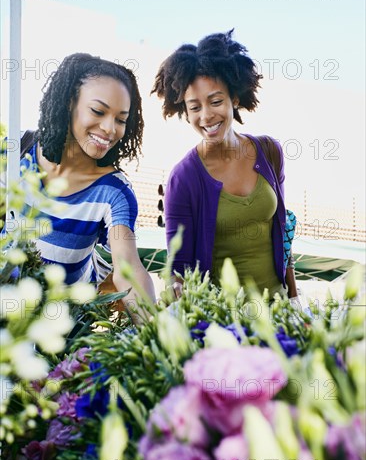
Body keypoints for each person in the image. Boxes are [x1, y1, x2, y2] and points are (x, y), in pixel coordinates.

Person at [4, 53, 156, 318]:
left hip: (62, 332)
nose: (110, 129)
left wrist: (156, 337)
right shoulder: (15, 152)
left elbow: (128, 268)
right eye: (98, 111)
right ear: (69, 103)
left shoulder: (115, 192)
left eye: (121, 120)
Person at [151, 30, 297, 300]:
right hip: (222, 320)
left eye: (216, 101)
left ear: (235, 99)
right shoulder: (183, 178)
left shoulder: (269, 152)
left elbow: (283, 235)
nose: (206, 116)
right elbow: (179, 271)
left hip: (279, 312)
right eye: (194, 107)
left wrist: (295, 300)